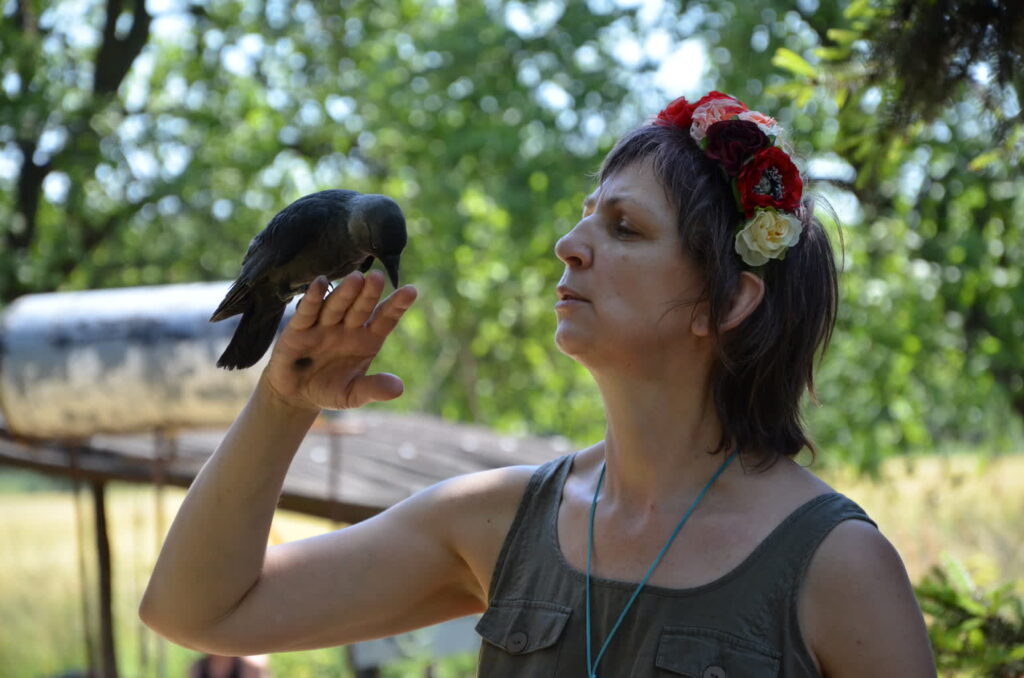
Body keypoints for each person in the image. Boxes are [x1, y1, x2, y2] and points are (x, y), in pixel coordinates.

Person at [140, 92, 936, 677]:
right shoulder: (498, 523)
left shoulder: (838, 567)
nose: (568, 244)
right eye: (585, 216)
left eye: (624, 228)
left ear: (727, 303)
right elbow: (196, 611)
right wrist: (283, 404)